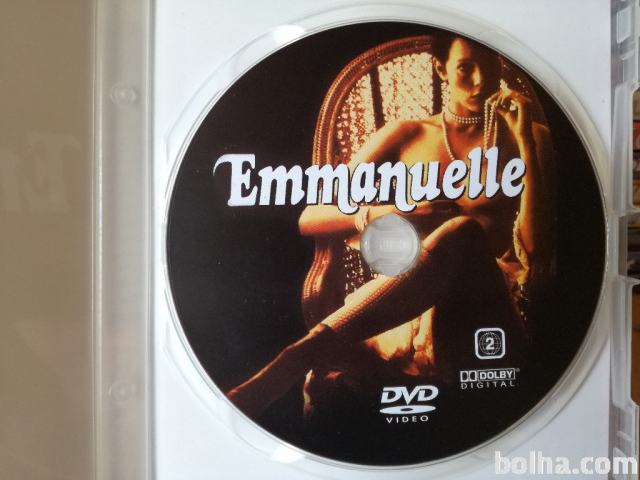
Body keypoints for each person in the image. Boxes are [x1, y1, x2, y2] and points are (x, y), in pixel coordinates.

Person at [227, 33, 555, 421]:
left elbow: (537, 251)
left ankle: (299, 355)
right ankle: (310, 357)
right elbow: (311, 216)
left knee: (464, 233)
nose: (480, 80)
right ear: (442, 70)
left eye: (489, 66)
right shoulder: (409, 133)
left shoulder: (530, 136)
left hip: (489, 306)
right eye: (465, 68)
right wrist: (384, 213)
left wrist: (525, 142)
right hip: (407, 304)